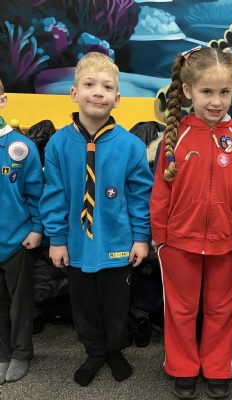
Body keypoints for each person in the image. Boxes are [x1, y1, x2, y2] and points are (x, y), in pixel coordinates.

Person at [39, 52, 153, 387]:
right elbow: (53, 194)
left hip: (118, 243)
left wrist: (141, 237)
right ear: (74, 93)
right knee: (84, 305)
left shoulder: (131, 146)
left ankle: (114, 349)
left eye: (107, 87)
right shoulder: (58, 144)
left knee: (116, 305)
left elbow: (140, 196)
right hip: (76, 245)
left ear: (117, 99)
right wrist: (56, 239)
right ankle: (94, 351)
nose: (98, 92)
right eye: (89, 84)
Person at [150, 46, 232, 399]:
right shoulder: (174, 137)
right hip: (179, 241)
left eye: (224, 92)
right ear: (188, 90)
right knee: (181, 309)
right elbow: (160, 191)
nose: (216, 101)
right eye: (207, 91)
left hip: (228, 242)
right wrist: (160, 235)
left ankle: (217, 367)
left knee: (222, 309)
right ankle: (182, 367)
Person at [0, 79, 44, 383]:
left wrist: (37, 228)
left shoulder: (21, 147)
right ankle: (2, 353)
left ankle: (20, 352)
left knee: (20, 303)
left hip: (17, 239)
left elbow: (36, 193)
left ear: (3, 101)